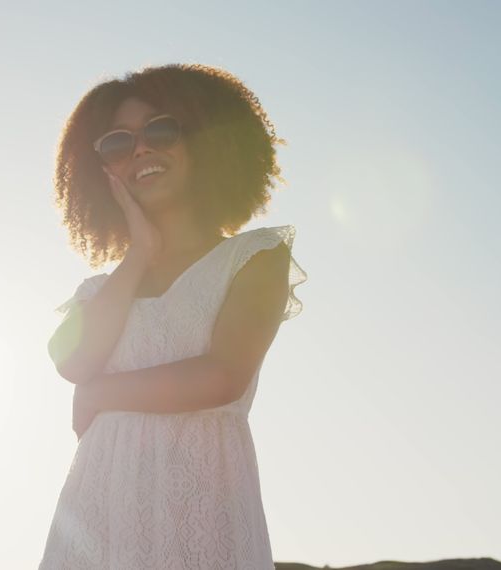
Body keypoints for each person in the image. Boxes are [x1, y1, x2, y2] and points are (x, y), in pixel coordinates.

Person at [39, 63, 307, 569]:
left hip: (202, 508)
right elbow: (73, 361)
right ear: (102, 171)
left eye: (160, 129)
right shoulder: (100, 290)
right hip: (98, 512)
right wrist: (140, 254)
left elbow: (222, 376)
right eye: (117, 144)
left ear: (204, 140)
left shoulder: (254, 256)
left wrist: (103, 393)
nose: (140, 149)